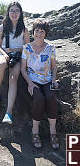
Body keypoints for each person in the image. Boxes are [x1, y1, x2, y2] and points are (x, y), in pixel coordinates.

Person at [21, 20, 59, 149]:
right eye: (37, 30)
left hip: (47, 80)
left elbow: (54, 67)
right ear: (33, 31)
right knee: (39, 99)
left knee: (51, 98)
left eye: (42, 31)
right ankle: (35, 131)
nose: (39, 33)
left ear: (45, 33)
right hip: (33, 81)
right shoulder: (27, 48)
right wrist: (30, 83)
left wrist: (54, 80)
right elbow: (22, 69)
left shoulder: (51, 48)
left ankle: (52, 131)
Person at [0, 2, 30, 124]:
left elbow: (27, 47)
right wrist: (5, 54)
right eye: (12, 10)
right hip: (4, 54)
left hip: (18, 57)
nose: (14, 13)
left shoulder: (24, 29)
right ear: (8, 12)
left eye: (17, 11)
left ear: (20, 13)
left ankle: (9, 113)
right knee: (1, 65)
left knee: (13, 78)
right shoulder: (3, 27)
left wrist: (16, 51)